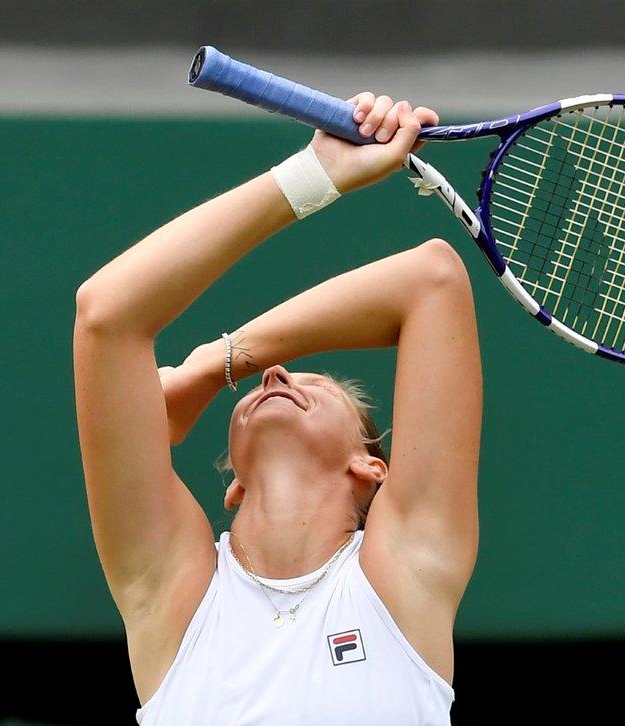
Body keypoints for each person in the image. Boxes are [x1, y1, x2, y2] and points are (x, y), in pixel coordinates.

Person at [72, 91, 483, 725]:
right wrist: (313, 176)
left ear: (372, 468)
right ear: (232, 486)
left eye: (318, 385)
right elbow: (106, 313)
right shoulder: (172, 590)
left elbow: (431, 280)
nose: (276, 370)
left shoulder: (408, 571)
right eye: (264, 377)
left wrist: (216, 362)